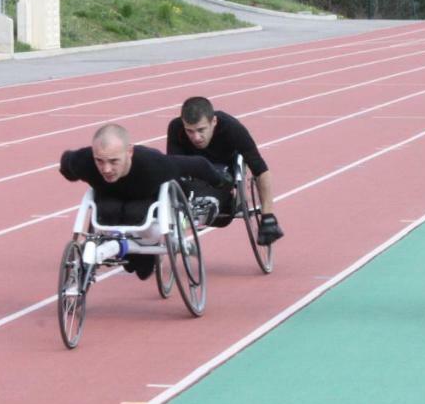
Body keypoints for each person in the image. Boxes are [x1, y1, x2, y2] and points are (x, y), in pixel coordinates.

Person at [60, 123, 230, 279]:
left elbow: (197, 165)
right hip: (111, 199)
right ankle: (127, 252)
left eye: (114, 161)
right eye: (99, 161)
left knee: (136, 218)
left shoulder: (154, 165)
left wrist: (222, 181)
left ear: (129, 152)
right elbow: (66, 162)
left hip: (144, 200)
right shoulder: (84, 161)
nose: (106, 169)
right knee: (107, 213)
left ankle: (145, 256)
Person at [166, 96, 284, 244]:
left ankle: (210, 207)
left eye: (201, 130)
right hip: (194, 173)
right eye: (189, 131)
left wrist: (268, 216)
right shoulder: (176, 128)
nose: (196, 137)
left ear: (214, 121)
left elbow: (260, 170)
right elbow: (173, 168)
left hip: (223, 173)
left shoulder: (231, 127)